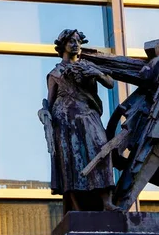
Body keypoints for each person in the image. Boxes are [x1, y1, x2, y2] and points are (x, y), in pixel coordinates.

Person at [39, 29, 118, 213]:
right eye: (71, 41)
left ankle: (106, 201)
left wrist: (97, 73)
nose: (76, 44)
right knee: (71, 161)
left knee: (101, 149)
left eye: (78, 41)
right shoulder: (55, 73)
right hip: (65, 120)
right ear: (63, 46)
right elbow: (49, 103)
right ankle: (76, 206)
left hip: (88, 115)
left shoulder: (88, 66)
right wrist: (44, 114)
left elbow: (110, 83)